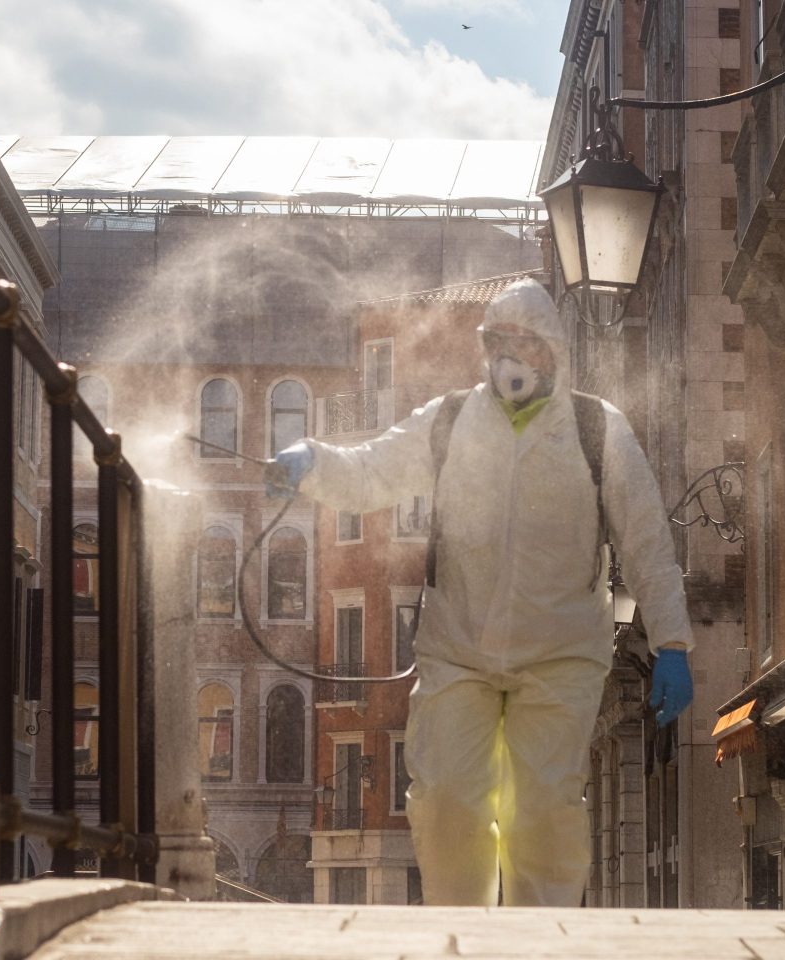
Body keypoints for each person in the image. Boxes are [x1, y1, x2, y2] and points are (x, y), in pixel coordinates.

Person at [267, 279, 693, 907]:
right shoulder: (449, 420)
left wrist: (674, 640)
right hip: (457, 648)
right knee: (442, 799)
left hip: (560, 653)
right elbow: (373, 469)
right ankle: (460, 935)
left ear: (553, 351)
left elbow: (646, 539)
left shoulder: (597, 429)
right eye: (498, 343)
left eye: (524, 343)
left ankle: (536, 946)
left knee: (545, 807)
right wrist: (313, 461)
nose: (510, 357)